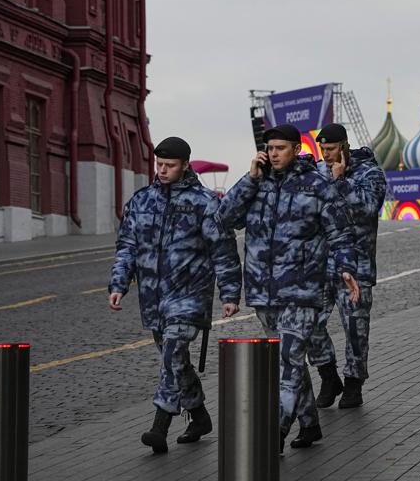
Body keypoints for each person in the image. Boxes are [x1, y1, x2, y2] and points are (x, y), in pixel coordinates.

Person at [218, 124, 360, 452]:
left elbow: (340, 231)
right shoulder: (256, 184)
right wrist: (249, 179)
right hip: (264, 291)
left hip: (303, 289)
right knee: (291, 362)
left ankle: (276, 430)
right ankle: (309, 424)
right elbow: (224, 219)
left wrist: (346, 268)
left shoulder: (317, 186)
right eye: (270, 148)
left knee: (288, 357)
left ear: (297, 149)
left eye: (281, 148)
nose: (274, 153)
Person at [108, 136, 242, 454]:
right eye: (159, 164)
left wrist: (230, 293)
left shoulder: (205, 203)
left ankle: (160, 426)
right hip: (154, 296)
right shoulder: (141, 202)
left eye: (170, 165)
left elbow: (223, 250)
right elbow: (127, 247)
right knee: (177, 360)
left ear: (185, 165)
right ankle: (199, 415)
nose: (163, 170)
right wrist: (118, 284)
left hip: (191, 293)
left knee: (171, 353)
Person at [307, 123, 387, 409]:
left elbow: (367, 209)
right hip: (319, 265)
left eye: (330, 149)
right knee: (309, 324)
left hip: (356, 265)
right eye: (322, 149)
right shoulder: (316, 171)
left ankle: (354, 384)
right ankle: (328, 376)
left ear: (344, 145)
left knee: (355, 328)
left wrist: (341, 181)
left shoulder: (370, 173)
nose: (326, 155)